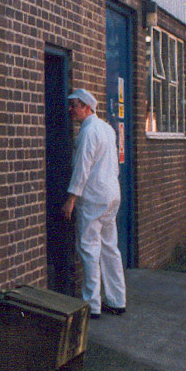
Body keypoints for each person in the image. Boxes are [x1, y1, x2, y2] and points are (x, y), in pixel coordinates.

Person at [61, 88, 127, 318]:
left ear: (87, 107)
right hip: (111, 194)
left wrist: (71, 199)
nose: (71, 110)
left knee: (89, 248)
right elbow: (114, 165)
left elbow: (82, 168)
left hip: (93, 197)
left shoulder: (88, 132)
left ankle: (92, 305)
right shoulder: (107, 129)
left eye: (74, 106)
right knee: (110, 247)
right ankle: (117, 300)